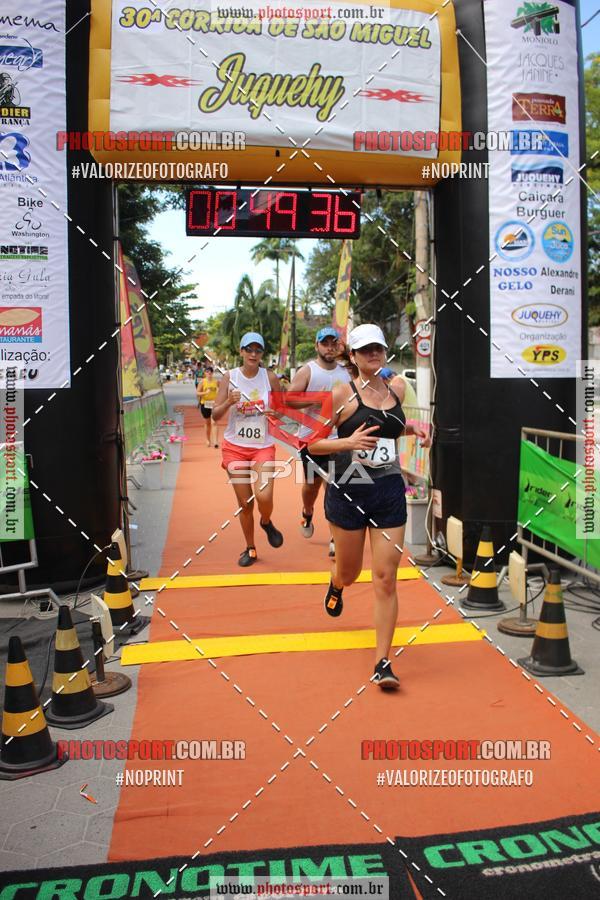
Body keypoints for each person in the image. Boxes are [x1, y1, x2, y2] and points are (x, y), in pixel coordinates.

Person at [307, 324, 430, 691]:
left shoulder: (397, 388)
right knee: (351, 572)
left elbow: (390, 430)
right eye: (365, 350)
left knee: (385, 577)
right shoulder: (342, 393)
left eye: (378, 348)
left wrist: (415, 429)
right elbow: (312, 444)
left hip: (389, 488)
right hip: (349, 486)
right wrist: (347, 442)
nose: (373, 355)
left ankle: (382, 661)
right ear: (354, 356)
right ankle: (336, 581)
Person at [212, 332, 284, 567]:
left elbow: (282, 410)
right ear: (241, 351)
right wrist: (229, 402)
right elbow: (215, 414)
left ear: (262, 353)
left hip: (262, 446)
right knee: (245, 503)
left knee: (264, 496)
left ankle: (266, 520)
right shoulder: (229, 377)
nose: (253, 354)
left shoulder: (270, 378)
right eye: (249, 349)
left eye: (258, 350)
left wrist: (276, 413)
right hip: (235, 448)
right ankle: (250, 548)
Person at [288, 327, 351, 555]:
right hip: (311, 440)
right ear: (317, 346)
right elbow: (290, 400)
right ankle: (307, 512)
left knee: (335, 487)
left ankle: (335, 538)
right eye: (325, 343)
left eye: (334, 343)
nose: (330, 347)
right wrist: (317, 399)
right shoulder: (308, 371)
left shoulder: (346, 373)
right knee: (311, 487)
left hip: (338, 439)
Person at [196, 365, 219, 447]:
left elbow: (221, 392)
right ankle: (208, 440)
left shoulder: (216, 382)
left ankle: (216, 441)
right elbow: (197, 393)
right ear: (205, 373)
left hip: (214, 404)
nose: (209, 373)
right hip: (205, 404)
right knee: (208, 423)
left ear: (212, 373)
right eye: (207, 372)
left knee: (214, 422)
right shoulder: (202, 382)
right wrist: (205, 393)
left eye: (210, 372)